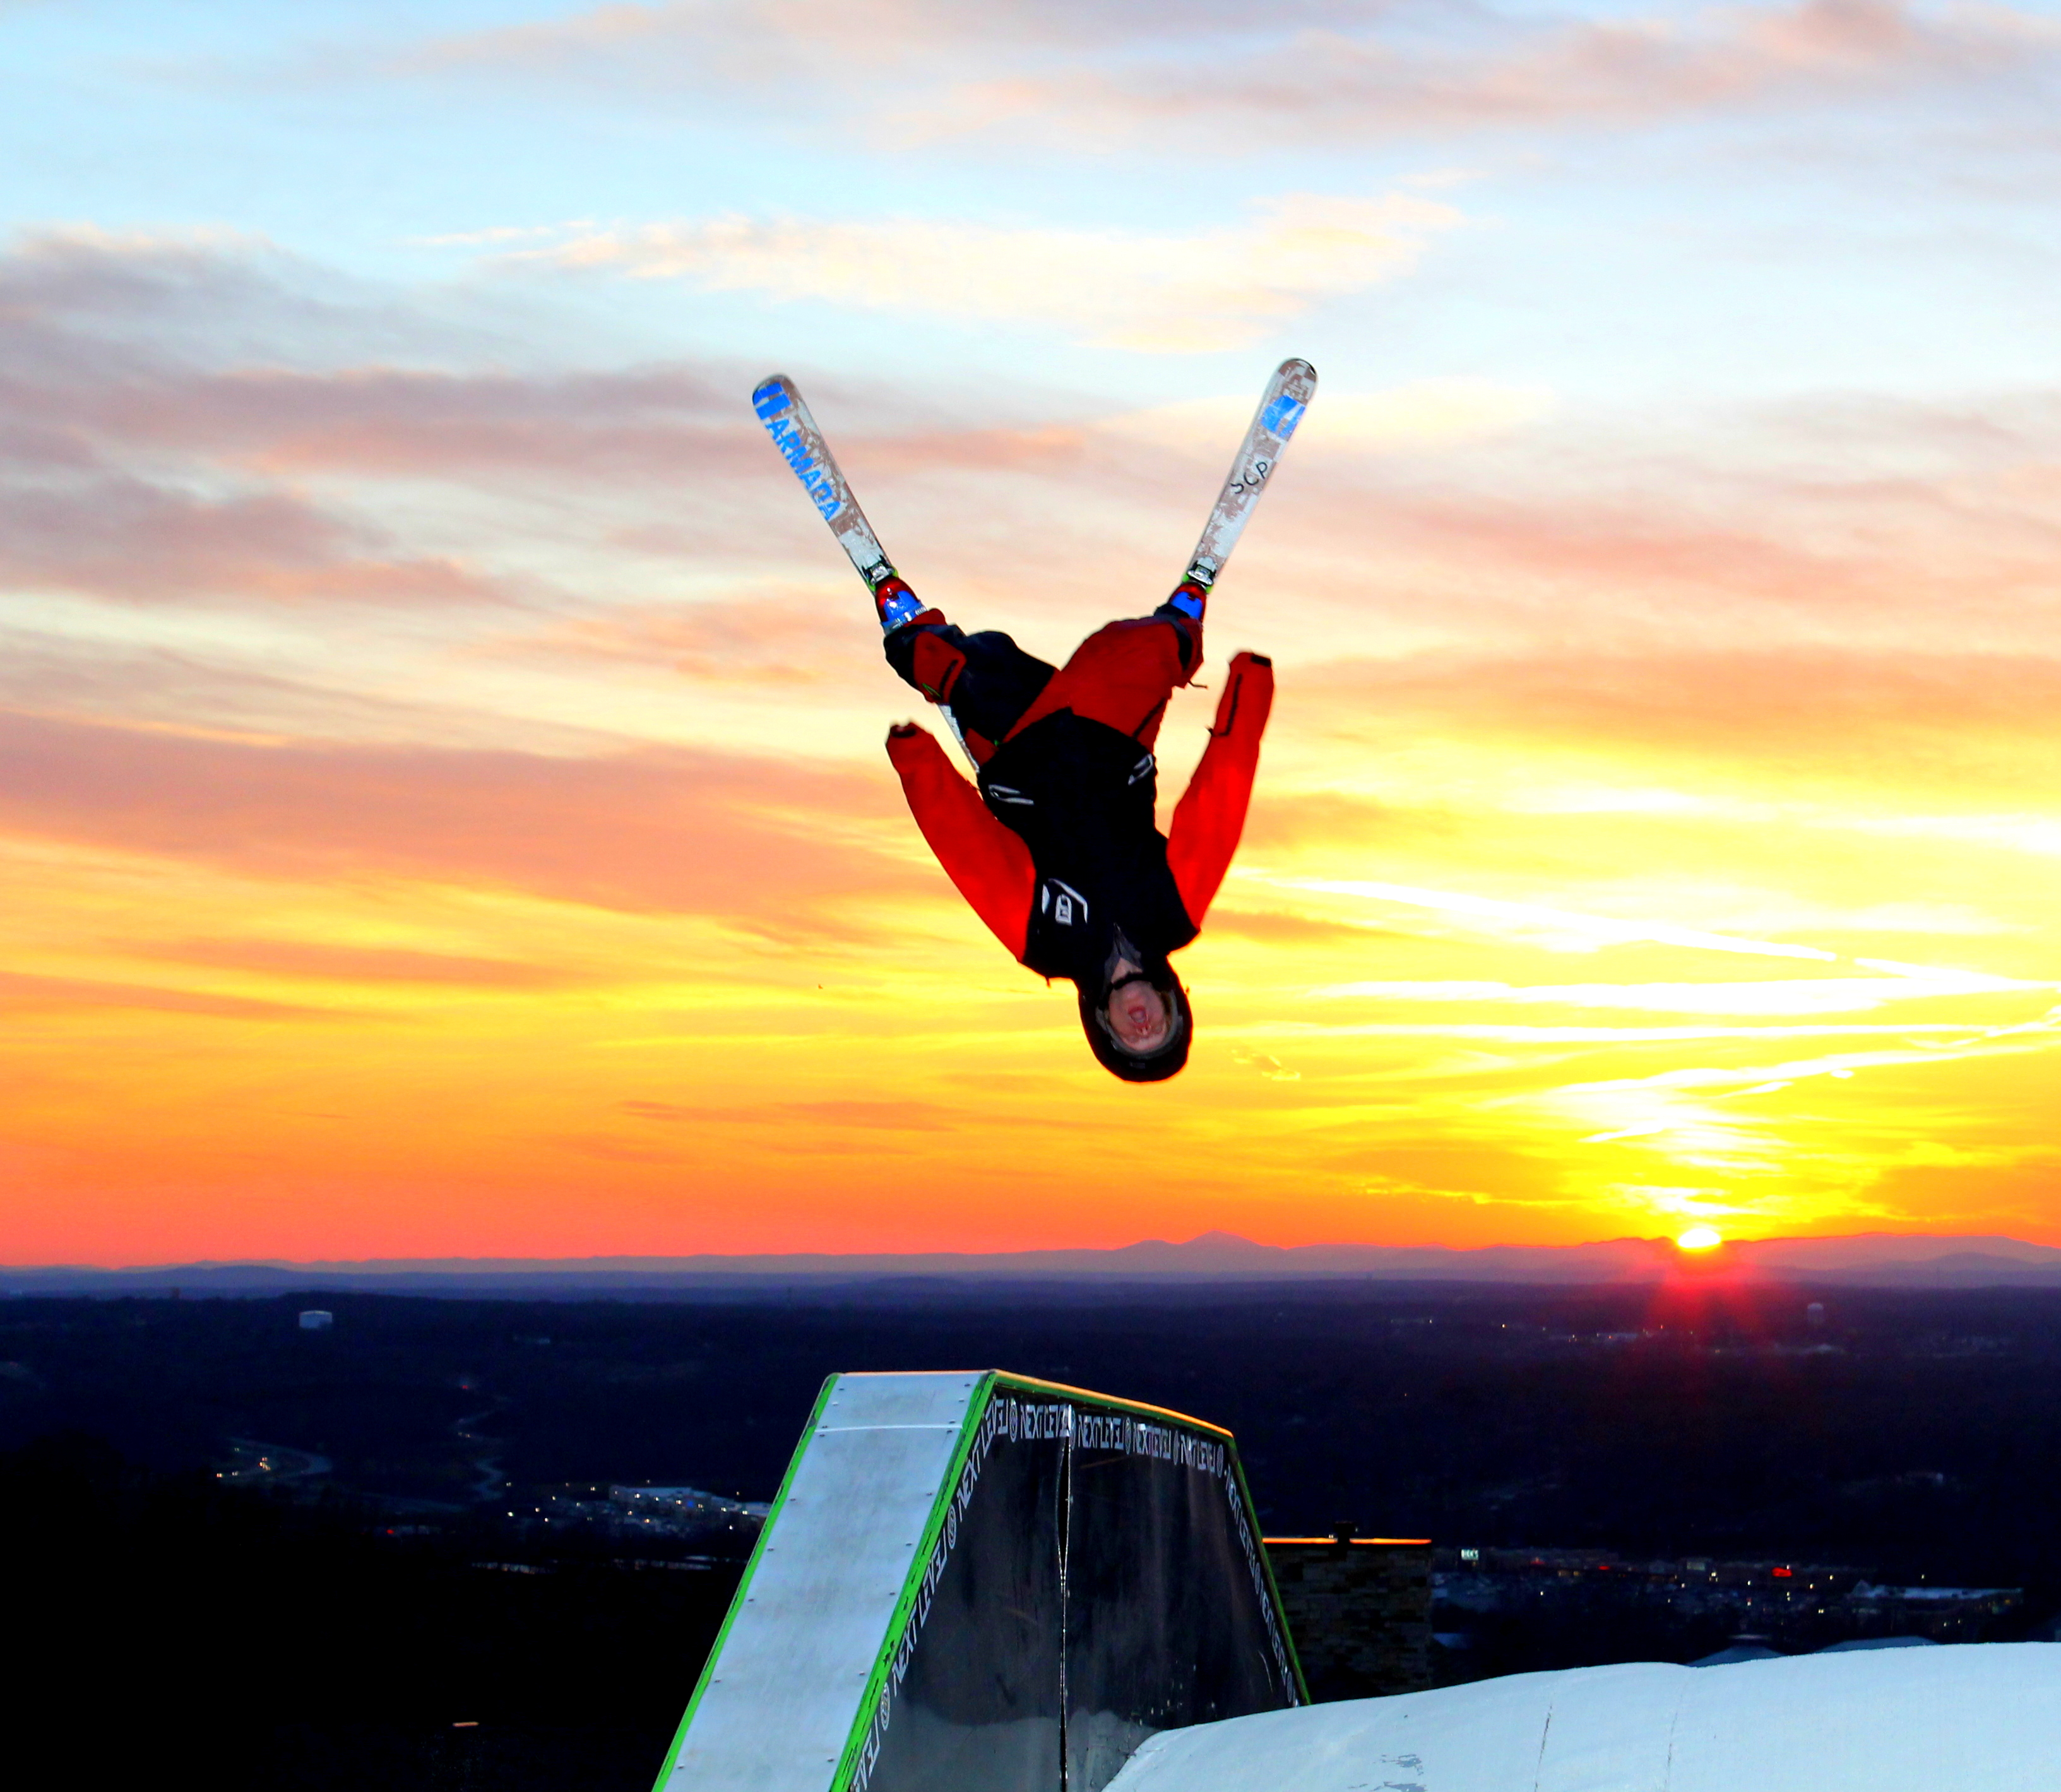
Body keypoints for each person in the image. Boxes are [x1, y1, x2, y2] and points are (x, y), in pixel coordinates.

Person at [877, 576, 1273, 1082]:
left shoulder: (1045, 945)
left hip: (1017, 751)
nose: (1141, 1023)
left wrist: (917, 762)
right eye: (1157, 1028)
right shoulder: (1174, 916)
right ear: (1173, 1006)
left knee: (971, 668)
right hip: (1112, 738)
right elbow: (1219, 803)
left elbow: (972, 854)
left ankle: (921, 648)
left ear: (1102, 1025)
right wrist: (1251, 686)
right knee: (1137, 648)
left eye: (1132, 1035)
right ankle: (1176, 631)